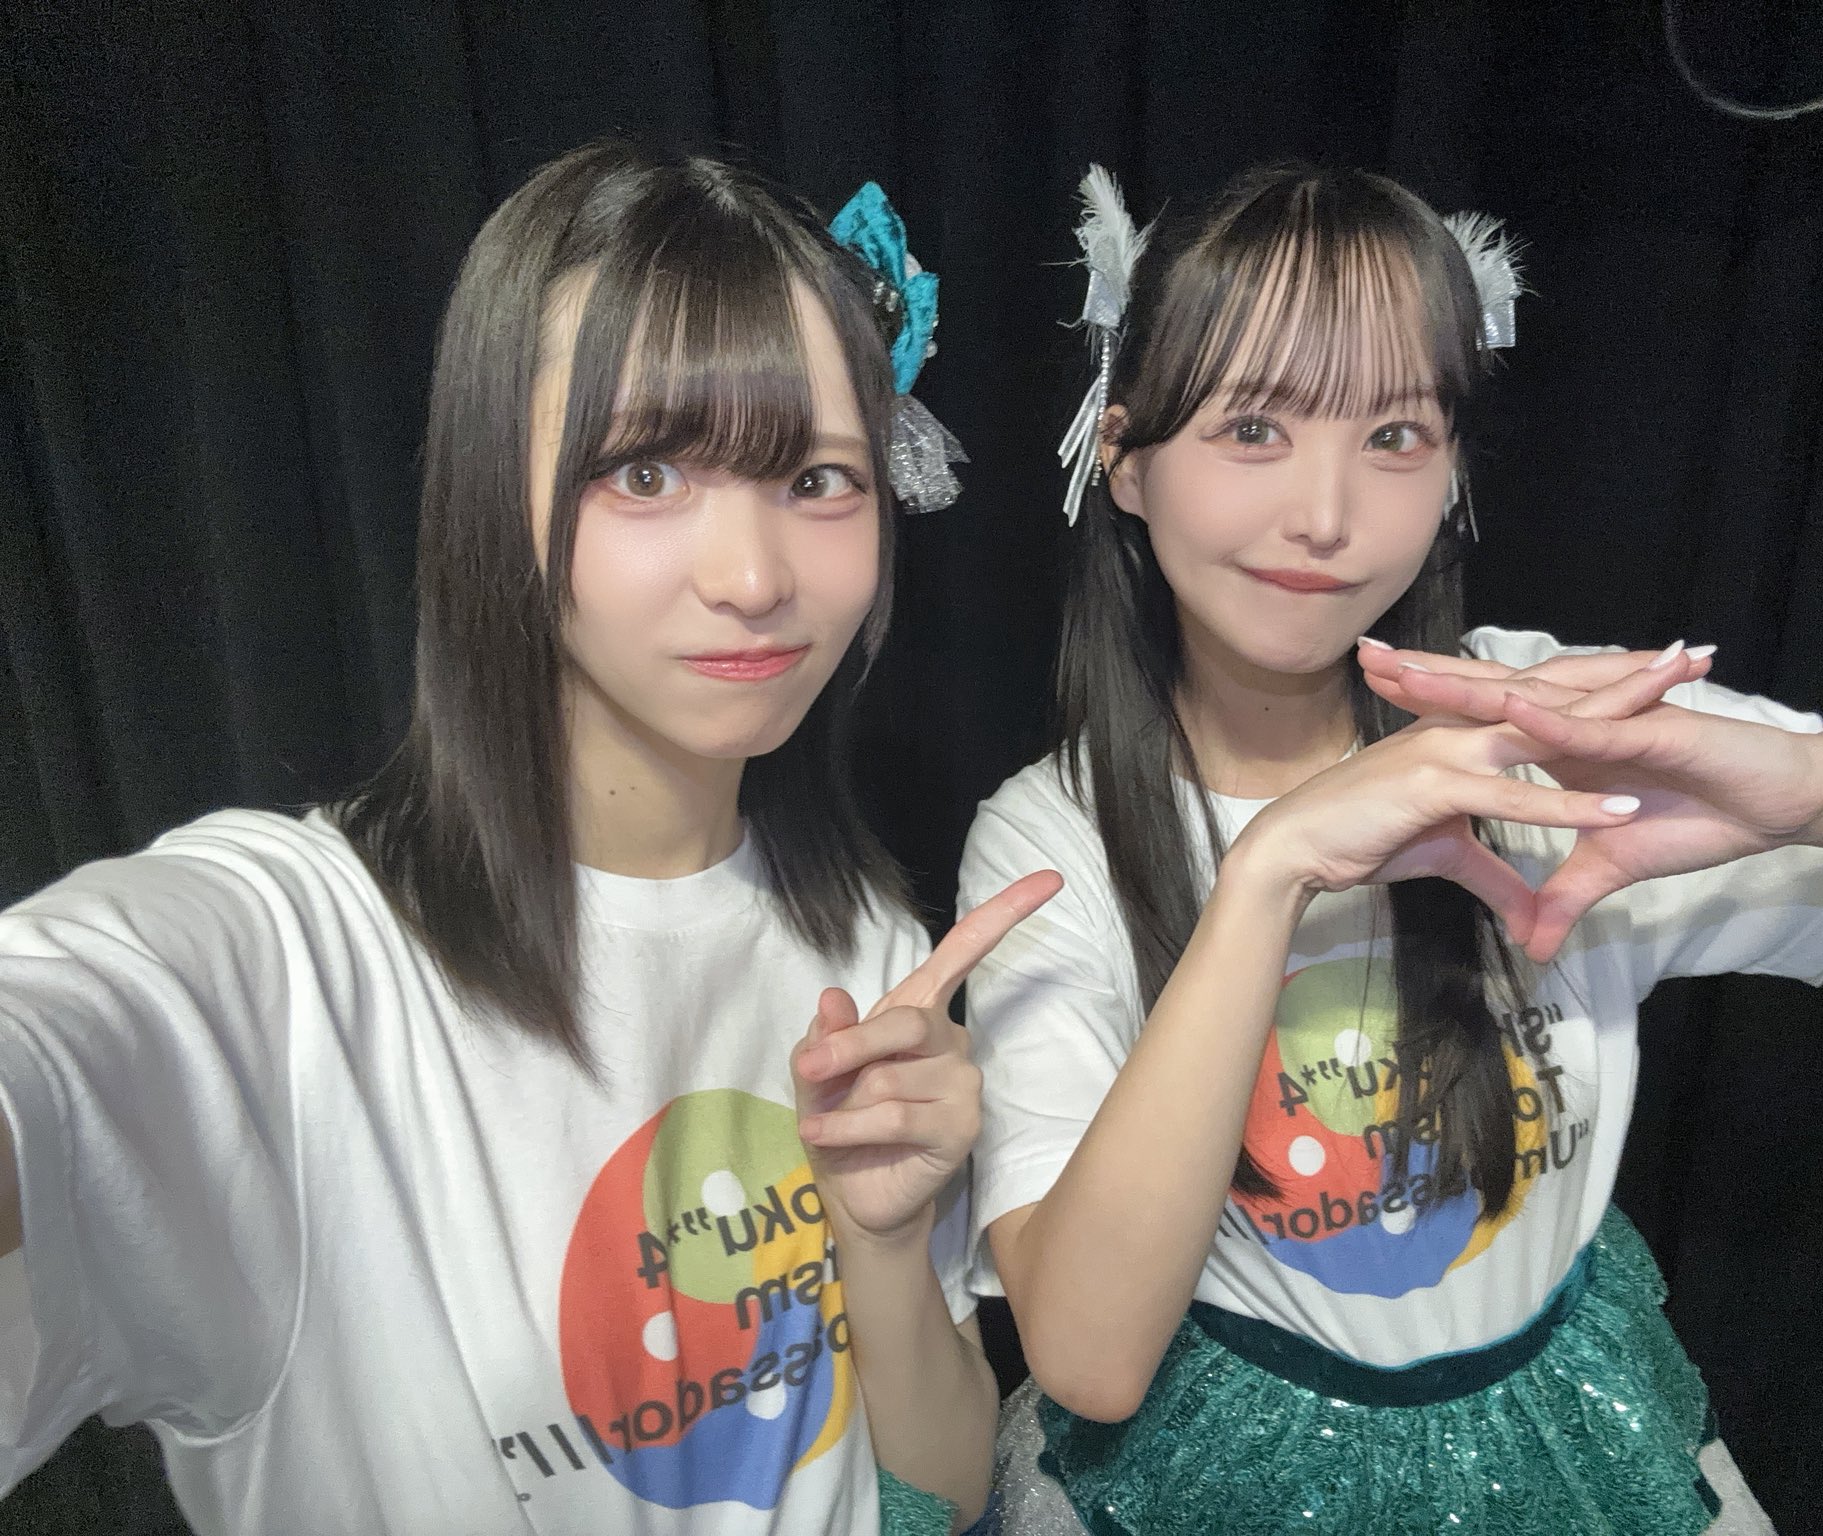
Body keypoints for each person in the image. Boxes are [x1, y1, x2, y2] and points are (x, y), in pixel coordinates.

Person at [958, 162, 1823, 1534]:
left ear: (1453, 469)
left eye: (1395, 435)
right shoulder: (1049, 840)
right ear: (1122, 456)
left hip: (1572, 1432)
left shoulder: (1549, 725)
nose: (1326, 514)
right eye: (1253, 426)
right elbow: (1089, 1358)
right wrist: (1270, 870)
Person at [0, 140, 1050, 1536]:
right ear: (493, 493)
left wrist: (884, 1242)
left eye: (816, 478)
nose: (754, 577)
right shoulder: (290, 962)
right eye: (646, 473)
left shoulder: (865, 945)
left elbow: (947, 1492)